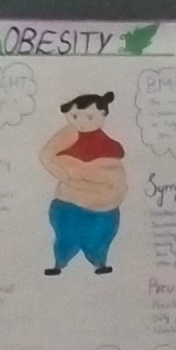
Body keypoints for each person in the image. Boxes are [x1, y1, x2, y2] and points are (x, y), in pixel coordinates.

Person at [39, 90, 126, 273]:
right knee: (66, 235)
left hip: (105, 209)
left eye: (90, 117)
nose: (82, 123)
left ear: (103, 115)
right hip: (70, 203)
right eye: (75, 116)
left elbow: (114, 169)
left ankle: (99, 263)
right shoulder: (69, 135)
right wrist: (70, 176)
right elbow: (48, 156)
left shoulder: (110, 145)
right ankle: (59, 263)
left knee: (99, 237)